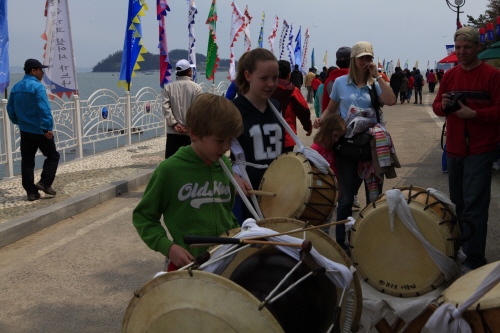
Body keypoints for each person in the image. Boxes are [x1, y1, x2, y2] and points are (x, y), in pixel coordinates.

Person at [133, 93, 248, 269]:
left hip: (224, 259)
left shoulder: (224, 164)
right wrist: (169, 248)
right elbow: (144, 217)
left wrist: (238, 233)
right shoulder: (169, 171)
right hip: (188, 266)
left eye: (230, 140)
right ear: (194, 133)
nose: (226, 147)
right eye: (219, 141)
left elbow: (226, 211)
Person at [315, 41, 396, 251]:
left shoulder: (375, 83)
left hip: (370, 148)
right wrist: (320, 120)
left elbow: (391, 100)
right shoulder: (341, 83)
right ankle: (341, 243)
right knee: (345, 199)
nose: (366, 62)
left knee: (373, 198)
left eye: (369, 57)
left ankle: (370, 241)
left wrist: (377, 75)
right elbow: (331, 109)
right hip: (347, 147)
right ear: (353, 59)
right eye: (362, 58)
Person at [432, 26, 500, 271]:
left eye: (467, 47)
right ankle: (461, 251)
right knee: (458, 204)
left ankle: (474, 259)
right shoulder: (450, 76)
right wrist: (445, 105)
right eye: (458, 47)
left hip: (480, 150)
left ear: (477, 48)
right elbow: (437, 106)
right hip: (454, 149)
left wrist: (476, 114)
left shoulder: (492, 76)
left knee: (475, 206)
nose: (461, 52)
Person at [232, 48, 285, 219]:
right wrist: (232, 178)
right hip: (248, 191)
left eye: (275, 78)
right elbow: (212, 153)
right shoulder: (233, 110)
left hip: (276, 186)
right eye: (264, 79)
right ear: (248, 76)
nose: (271, 84)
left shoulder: (275, 106)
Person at [7, 59, 60, 201]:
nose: (43, 72)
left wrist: (18, 121)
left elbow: (10, 108)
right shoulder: (38, 87)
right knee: (53, 156)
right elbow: (44, 108)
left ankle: (31, 192)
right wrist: (48, 127)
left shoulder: (16, 87)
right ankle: (45, 183)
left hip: (25, 130)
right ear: (33, 71)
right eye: (40, 69)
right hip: (40, 129)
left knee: (27, 160)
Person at [163, 59, 202, 159]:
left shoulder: (168, 87)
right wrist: (189, 126)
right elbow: (199, 110)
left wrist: (174, 124)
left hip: (173, 131)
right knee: (190, 160)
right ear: (189, 71)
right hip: (190, 131)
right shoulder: (196, 88)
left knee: (172, 161)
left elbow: (165, 107)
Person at [271, 60, 312, 153]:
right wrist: (308, 127)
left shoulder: (266, 88)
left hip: (265, 137)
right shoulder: (293, 90)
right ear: (289, 75)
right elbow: (303, 110)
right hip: (287, 136)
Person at [321, 47, 351, 112]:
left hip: (335, 120)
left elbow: (325, 105)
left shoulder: (329, 81)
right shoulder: (358, 78)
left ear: (337, 63)